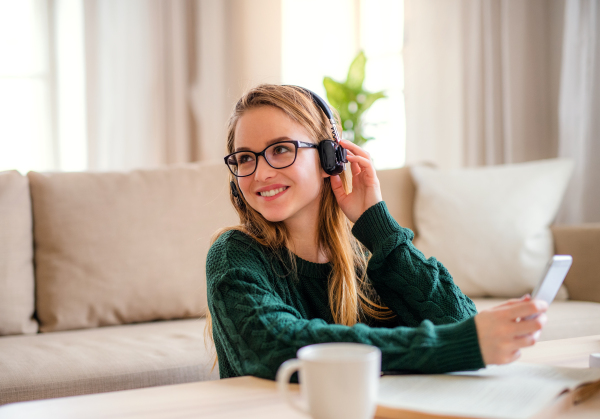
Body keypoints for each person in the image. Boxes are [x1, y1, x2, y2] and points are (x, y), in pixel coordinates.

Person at [205, 84, 547, 380]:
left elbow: (458, 320)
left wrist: (377, 225)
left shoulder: (368, 259)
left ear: (330, 158)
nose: (261, 173)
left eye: (281, 149)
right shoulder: (234, 253)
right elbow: (279, 346)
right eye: (245, 158)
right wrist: (454, 344)